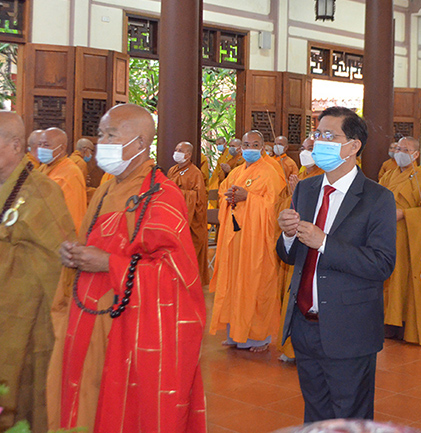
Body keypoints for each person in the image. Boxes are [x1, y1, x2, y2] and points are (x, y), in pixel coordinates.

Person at [48, 104, 206, 433]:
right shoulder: (107, 187)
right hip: (88, 319)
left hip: (126, 329)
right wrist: (73, 253)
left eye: (109, 135)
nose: (100, 141)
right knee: (85, 404)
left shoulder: (162, 195)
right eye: (101, 133)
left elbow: (177, 277)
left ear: (138, 143)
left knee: (119, 413)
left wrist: (109, 264)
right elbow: (93, 238)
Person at [0, 111, 76, 433]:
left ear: (14, 145)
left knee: (22, 394)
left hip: (28, 322)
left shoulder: (43, 192)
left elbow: (59, 259)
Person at [277, 106, 396, 422]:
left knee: (349, 417)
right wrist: (288, 236)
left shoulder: (377, 198)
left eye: (330, 136)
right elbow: (289, 255)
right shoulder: (305, 188)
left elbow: (382, 264)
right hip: (305, 324)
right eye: (317, 134)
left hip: (349, 328)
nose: (320, 142)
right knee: (315, 414)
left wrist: (325, 242)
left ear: (354, 146)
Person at [210, 130, 286, 352]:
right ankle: (235, 333)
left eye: (255, 144)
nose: (249, 148)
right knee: (234, 283)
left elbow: (275, 208)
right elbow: (224, 194)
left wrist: (248, 198)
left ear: (262, 148)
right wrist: (231, 199)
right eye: (246, 144)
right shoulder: (234, 172)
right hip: (234, 239)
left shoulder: (271, 173)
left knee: (255, 283)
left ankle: (258, 338)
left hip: (256, 240)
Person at [379, 136, 421, 345]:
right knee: (389, 281)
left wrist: (405, 214)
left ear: (415, 154)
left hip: (410, 238)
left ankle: (408, 327)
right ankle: (389, 323)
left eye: (405, 149)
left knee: (407, 281)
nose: (400, 152)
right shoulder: (388, 175)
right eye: (398, 148)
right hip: (387, 236)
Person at [276, 136, 323, 362]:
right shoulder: (302, 177)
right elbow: (282, 211)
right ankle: (290, 346)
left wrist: (298, 193)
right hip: (295, 250)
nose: (306, 152)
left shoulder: (324, 177)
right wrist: (291, 192)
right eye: (303, 148)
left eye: (311, 148)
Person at [167, 141, 209, 285]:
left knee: (188, 253)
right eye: (176, 149)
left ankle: (190, 282)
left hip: (191, 220)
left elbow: (200, 199)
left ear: (189, 154)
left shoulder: (195, 173)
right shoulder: (172, 170)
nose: (177, 152)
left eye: (181, 150)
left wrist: (179, 193)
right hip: (174, 217)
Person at [36, 128, 87, 234]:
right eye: (39, 144)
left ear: (62, 148)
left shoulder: (69, 172)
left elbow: (66, 214)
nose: (41, 148)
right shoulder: (44, 167)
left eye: (46, 145)